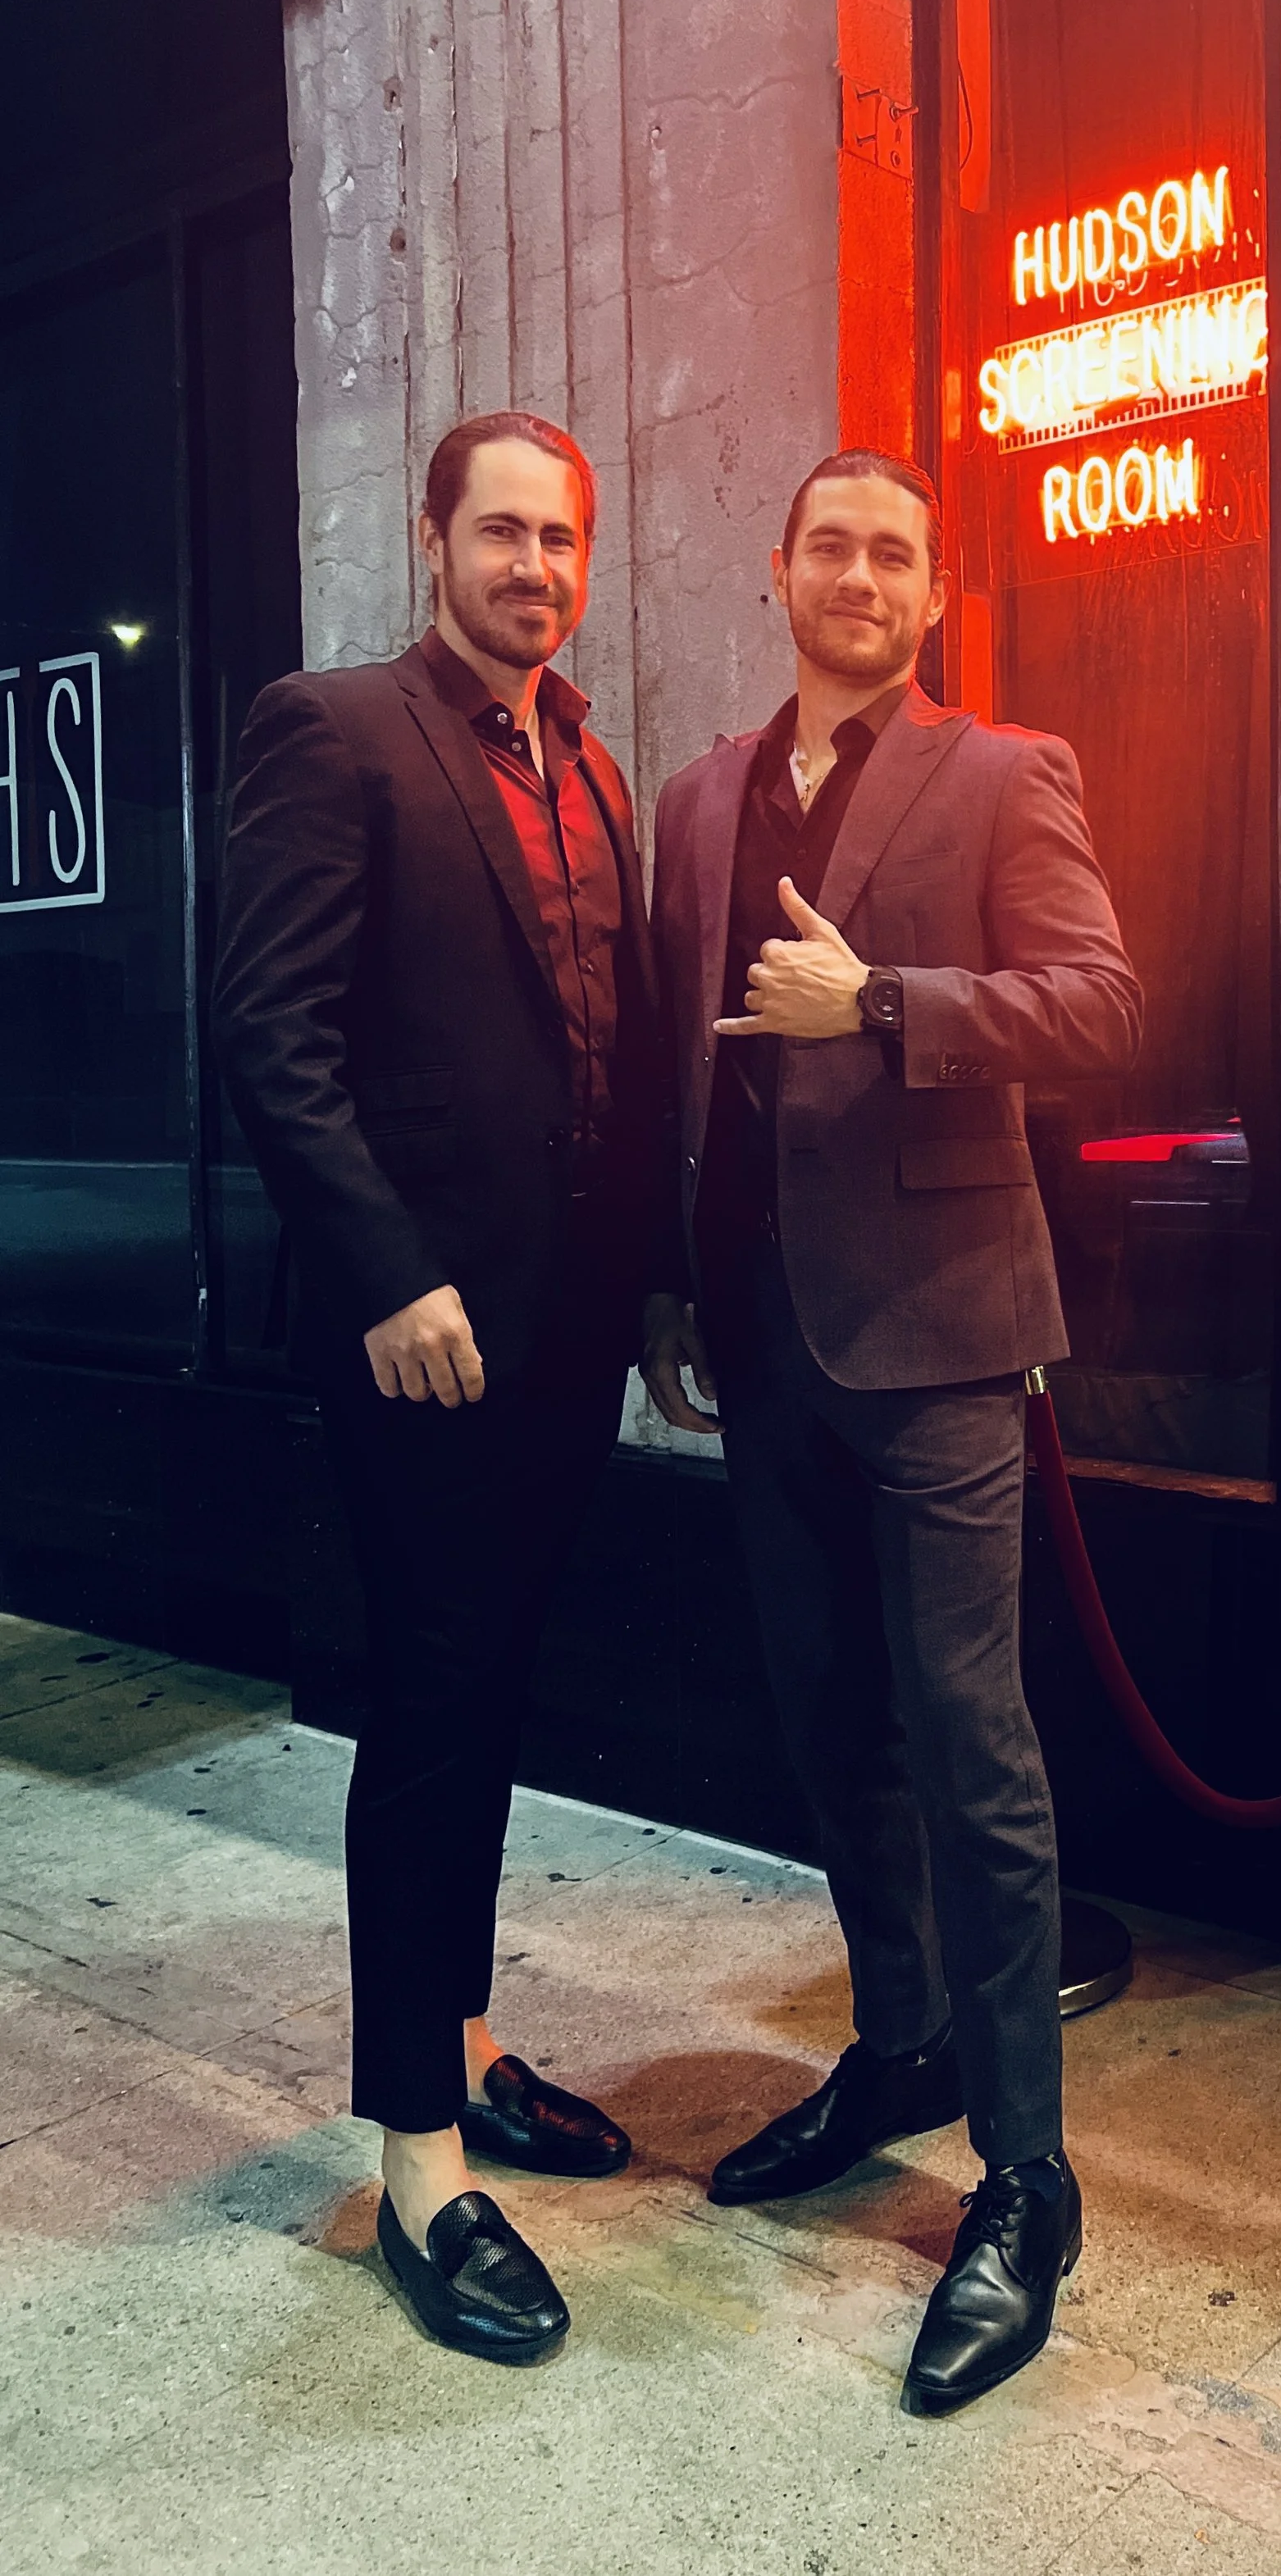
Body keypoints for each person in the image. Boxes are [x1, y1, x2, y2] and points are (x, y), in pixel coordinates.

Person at [642, 448, 1142, 2416]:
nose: (859, 575)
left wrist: (882, 1004)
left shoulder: (1006, 771)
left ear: (935, 595)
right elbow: (694, 1064)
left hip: (937, 1338)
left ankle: (1024, 2172)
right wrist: (678, 1290)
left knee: (971, 1745)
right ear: (777, 572)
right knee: (825, 1721)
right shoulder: (700, 797)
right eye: (829, 545)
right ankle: (898, 2045)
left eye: (895, 555)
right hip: (760, 1340)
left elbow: (1099, 1007)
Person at [214, 412, 663, 2365]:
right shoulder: (334, 729)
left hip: (563, 1337)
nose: (535, 568)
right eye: (502, 532)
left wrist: (648, 1294)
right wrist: (388, 1270)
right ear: (432, 541)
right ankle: (415, 2160)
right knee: (426, 1718)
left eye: (561, 539)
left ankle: (466, 2046)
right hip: (422, 1343)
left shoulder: (590, 763)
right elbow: (269, 1029)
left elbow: (610, 1051)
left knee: (493, 1697)